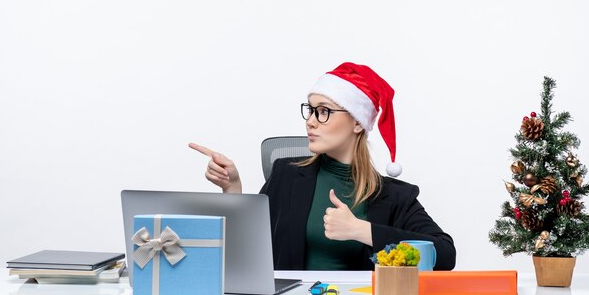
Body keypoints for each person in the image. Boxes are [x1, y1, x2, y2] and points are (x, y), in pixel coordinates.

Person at [189, 62, 456, 270]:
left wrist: (362, 231)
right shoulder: (286, 175)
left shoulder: (395, 196)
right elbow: (249, 249)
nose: (311, 121)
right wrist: (232, 189)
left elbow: (445, 254)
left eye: (324, 111)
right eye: (311, 109)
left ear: (358, 123)